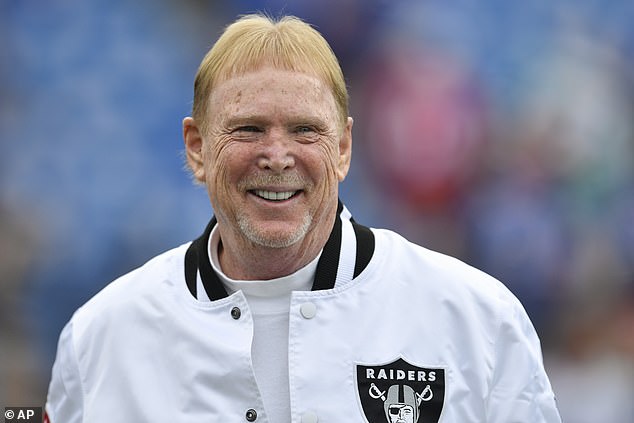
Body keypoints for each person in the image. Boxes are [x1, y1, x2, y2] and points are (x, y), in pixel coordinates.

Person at [45, 14, 561, 423]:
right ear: (197, 148)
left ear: (343, 148)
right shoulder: (101, 337)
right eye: (247, 129)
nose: (277, 155)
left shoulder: (478, 320)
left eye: (304, 130)